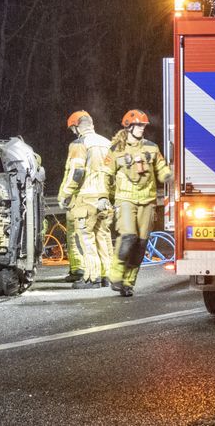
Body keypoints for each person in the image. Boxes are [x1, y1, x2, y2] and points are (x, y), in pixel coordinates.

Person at [107, 109, 172, 297]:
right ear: (128, 126)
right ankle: (116, 276)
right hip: (125, 199)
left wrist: (167, 175)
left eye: (143, 126)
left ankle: (128, 282)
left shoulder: (151, 147)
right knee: (128, 236)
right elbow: (105, 173)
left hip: (148, 200)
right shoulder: (116, 150)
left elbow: (160, 166)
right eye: (138, 126)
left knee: (141, 243)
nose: (142, 129)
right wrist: (104, 198)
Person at [57, 111, 114, 289]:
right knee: (103, 236)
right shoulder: (107, 143)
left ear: (76, 127)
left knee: (86, 239)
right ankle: (107, 276)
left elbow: (77, 172)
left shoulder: (79, 144)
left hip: (86, 199)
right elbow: (114, 175)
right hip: (104, 200)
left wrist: (65, 194)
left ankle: (92, 278)